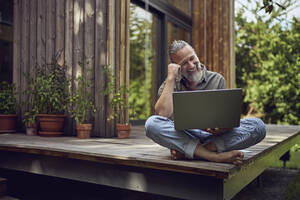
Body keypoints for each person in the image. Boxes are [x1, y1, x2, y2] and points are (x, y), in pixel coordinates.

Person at [145, 40, 266, 165]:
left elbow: (223, 118)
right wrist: (170, 77)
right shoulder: (169, 84)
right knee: (151, 124)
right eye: (184, 63)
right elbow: (162, 114)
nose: (191, 65)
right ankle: (213, 156)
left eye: (192, 58)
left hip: (213, 138)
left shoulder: (217, 79)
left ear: (196, 54)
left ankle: (193, 152)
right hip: (184, 135)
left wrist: (223, 128)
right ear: (176, 66)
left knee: (258, 126)